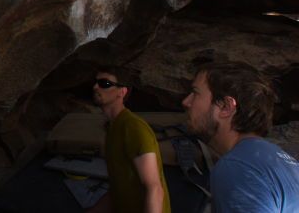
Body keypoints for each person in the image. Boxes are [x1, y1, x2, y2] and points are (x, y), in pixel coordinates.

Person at [182, 62, 299, 212]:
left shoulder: (238, 166)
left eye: (195, 93)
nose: (186, 102)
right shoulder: (280, 161)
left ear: (226, 107)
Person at [89, 69, 171, 213]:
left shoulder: (133, 128)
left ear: (122, 92)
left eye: (104, 83)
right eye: (95, 83)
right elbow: (117, 190)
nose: (95, 87)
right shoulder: (112, 127)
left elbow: (154, 189)